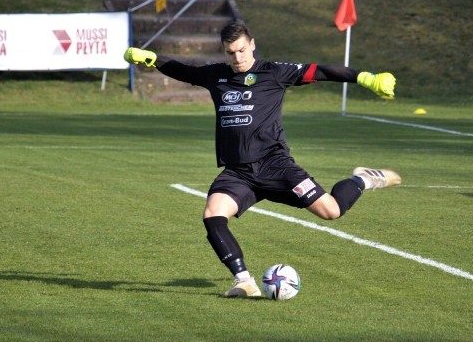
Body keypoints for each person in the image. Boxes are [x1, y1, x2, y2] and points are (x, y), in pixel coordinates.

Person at [124, 20, 401, 298]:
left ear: (252, 44)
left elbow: (322, 71)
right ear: (224, 51)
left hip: (276, 167)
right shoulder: (216, 76)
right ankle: (244, 281)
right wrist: (153, 59)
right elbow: (184, 71)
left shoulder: (274, 72)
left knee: (332, 211)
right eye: (231, 52)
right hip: (238, 173)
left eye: (242, 50)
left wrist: (365, 77)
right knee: (212, 214)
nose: (238, 57)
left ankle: (363, 179)